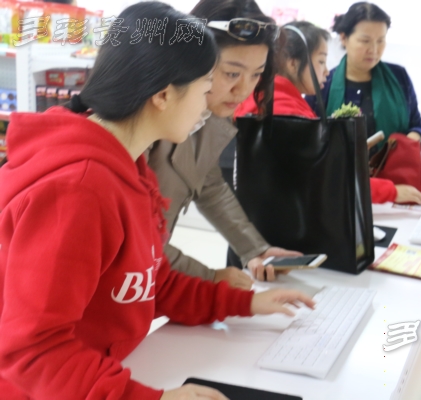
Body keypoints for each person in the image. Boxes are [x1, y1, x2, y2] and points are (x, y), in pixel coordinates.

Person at [0, 3, 314, 399]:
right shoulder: (78, 191)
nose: (209, 104)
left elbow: (152, 282)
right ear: (164, 94)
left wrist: (245, 304)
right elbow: (33, 350)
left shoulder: (130, 168)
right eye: (206, 88)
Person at [147, 0, 302, 289]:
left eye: (256, 74)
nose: (243, 90)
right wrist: (210, 279)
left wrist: (255, 249)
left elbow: (209, 184)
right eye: (232, 73)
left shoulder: (209, 114)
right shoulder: (144, 121)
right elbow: (136, 241)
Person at [235, 21, 421, 205]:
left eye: (381, 40)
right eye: (321, 61)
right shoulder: (287, 112)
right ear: (292, 64)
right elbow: (326, 178)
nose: (326, 71)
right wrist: (389, 191)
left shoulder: (270, 98)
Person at [308, 2, 421, 151]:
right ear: (344, 38)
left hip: (389, 166)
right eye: (365, 41)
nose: (374, 49)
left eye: (380, 41)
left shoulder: (399, 77)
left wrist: (407, 143)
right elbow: (308, 135)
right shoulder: (323, 82)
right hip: (336, 166)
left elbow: (417, 126)